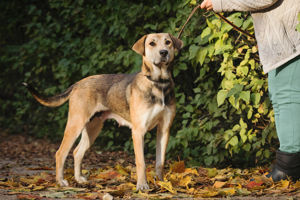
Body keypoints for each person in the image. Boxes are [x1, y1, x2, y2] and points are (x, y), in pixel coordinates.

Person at [201, 0, 300, 182]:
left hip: (292, 35)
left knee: (287, 98)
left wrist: (220, 2)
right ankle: (289, 166)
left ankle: (290, 168)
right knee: (280, 97)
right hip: (283, 36)